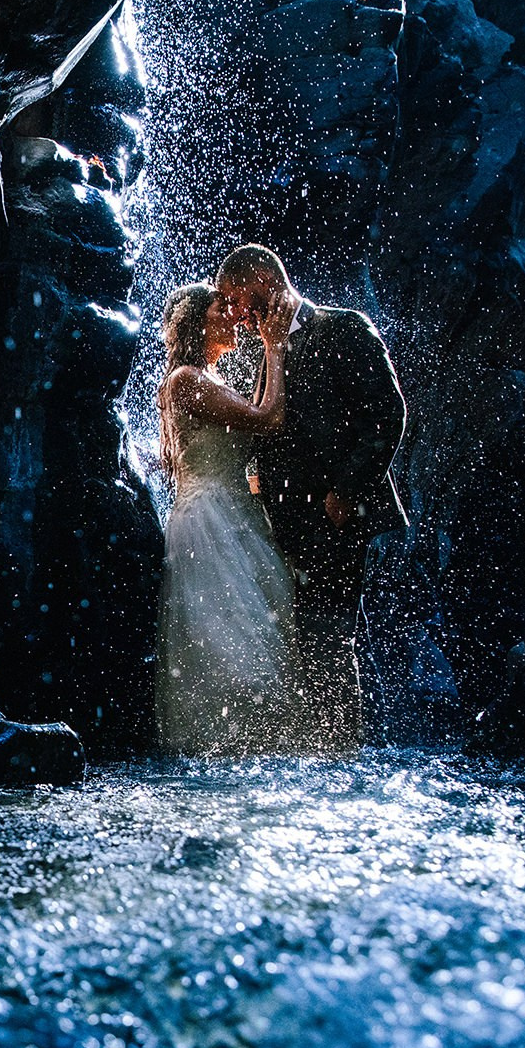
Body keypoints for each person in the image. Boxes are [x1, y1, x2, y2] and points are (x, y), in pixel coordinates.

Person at [211, 245, 407, 749]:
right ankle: (355, 745)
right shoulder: (266, 352)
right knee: (326, 635)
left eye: (240, 299)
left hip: (338, 516)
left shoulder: (342, 327)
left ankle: (340, 756)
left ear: (263, 278)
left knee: (327, 635)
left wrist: (344, 493)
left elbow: (388, 412)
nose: (239, 314)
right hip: (288, 524)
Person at [155, 283, 298, 753]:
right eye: (224, 308)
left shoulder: (208, 380)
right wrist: (274, 345)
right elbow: (268, 418)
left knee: (254, 647)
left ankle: (254, 759)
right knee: (235, 656)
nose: (235, 316)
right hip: (209, 524)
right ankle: (227, 765)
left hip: (235, 516)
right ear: (198, 320)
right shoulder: (186, 379)